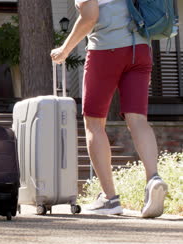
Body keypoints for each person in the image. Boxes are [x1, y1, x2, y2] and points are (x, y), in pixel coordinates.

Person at [51, 0, 168, 217]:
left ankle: (109, 198)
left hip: (106, 49)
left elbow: (90, 17)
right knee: (138, 119)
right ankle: (153, 178)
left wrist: (65, 49)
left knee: (94, 123)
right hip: (140, 49)